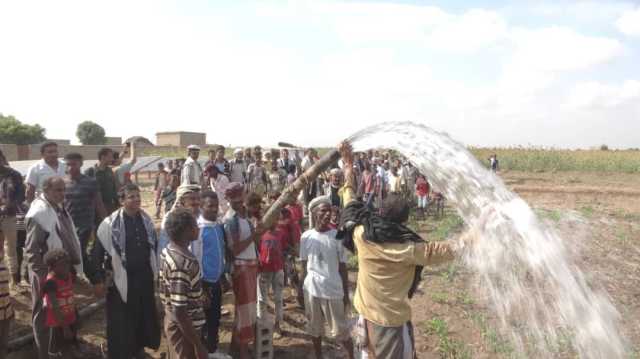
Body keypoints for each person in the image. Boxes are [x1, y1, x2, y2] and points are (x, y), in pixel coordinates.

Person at [338, 143, 468, 359]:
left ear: (380, 212)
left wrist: (349, 167)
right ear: (405, 221)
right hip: (391, 326)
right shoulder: (412, 249)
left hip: (366, 318)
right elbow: (451, 248)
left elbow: (350, 202)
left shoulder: (362, 235)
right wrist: (479, 229)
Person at [88, 184, 161, 359]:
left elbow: (153, 248)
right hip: (120, 279)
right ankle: (120, 353)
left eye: (138, 196)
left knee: (142, 313)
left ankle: (138, 348)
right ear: (121, 201)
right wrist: (97, 280)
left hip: (143, 277)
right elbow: (96, 254)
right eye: (131, 197)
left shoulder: (146, 220)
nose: (136, 199)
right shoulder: (108, 225)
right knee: (121, 318)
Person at [25, 176, 83, 359]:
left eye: (63, 190)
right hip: (46, 274)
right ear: (46, 190)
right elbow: (33, 251)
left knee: (63, 309)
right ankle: (45, 354)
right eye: (58, 190)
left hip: (61, 271)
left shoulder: (56, 207)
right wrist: (45, 280)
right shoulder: (39, 213)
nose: (62, 194)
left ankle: (61, 349)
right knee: (44, 315)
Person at [299, 196, 354, 359]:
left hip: (333, 289)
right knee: (315, 329)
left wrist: (345, 293)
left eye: (329, 211)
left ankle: (351, 356)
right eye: (323, 210)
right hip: (312, 289)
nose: (327, 214)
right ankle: (318, 356)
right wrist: (300, 290)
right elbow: (303, 265)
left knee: (341, 332)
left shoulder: (337, 236)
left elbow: (343, 267)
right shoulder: (306, 237)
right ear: (314, 213)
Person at [159, 208, 208, 359]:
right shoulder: (182, 264)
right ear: (187, 230)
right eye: (195, 225)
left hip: (178, 324)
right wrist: (198, 346)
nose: (198, 228)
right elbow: (179, 310)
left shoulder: (169, 251)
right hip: (184, 330)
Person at [223, 183, 263, 359]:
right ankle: (243, 352)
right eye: (236, 199)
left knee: (247, 310)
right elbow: (235, 250)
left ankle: (237, 347)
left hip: (250, 266)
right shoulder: (230, 221)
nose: (240, 202)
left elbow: (251, 245)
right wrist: (253, 236)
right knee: (244, 311)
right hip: (242, 268)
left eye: (241, 199)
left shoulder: (244, 219)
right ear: (231, 200)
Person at [189, 191, 230, 358]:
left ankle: (212, 349)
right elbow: (196, 259)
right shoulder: (198, 230)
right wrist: (201, 288)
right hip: (204, 284)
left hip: (216, 281)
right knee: (205, 321)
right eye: (209, 206)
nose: (213, 209)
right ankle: (205, 351)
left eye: (215, 206)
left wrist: (223, 277)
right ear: (201, 207)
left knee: (215, 318)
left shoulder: (218, 226)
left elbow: (220, 254)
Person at [63, 153, 107, 269]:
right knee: (70, 253)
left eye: (74, 164)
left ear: (81, 164)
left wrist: (107, 222)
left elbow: (99, 204)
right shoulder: (62, 183)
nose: (71, 167)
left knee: (81, 252)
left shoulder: (90, 182)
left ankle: (93, 278)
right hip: (68, 225)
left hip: (85, 226)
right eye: (68, 165)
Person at [257, 208, 290, 336]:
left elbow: (284, 248)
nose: (275, 221)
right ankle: (262, 325)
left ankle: (277, 325)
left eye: (277, 218)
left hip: (278, 270)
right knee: (261, 299)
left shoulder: (281, 233)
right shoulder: (259, 234)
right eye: (272, 218)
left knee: (278, 298)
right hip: (263, 270)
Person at [41, 249, 80, 358]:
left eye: (67, 263)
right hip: (58, 324)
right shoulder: (51, 283)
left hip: (70, 318)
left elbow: (70, 297)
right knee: (58, 351)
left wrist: (75, 315)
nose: (66, 266)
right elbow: (55, 308)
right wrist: (65, 328)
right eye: (62, 264)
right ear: (52, 267)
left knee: (68, 347)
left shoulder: (69, 276)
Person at [0, 150, 26, 292]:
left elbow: (20, 196)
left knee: (11, 248)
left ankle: (15, 281)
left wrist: (7, 206)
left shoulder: (13, 175)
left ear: (2, 158)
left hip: (9, 215)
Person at [159, 184, 201, 255]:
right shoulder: (170, 218)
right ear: (181, 201)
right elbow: (163, 246)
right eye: (192, 199)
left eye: (198, 199)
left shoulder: (202, 216)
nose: (197, 202)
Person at [85, 148, 119, 215]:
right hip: (96, 209)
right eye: (110, 157)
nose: (112, 159)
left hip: (110, 207)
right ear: (103, 157)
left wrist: (117, 203)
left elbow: (114, 189)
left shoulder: (109, 171)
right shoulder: (90, 172)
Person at [0, 231, 15, 359]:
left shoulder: (2, 260)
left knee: (4, 344)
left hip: (5, 312)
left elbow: (5, 288)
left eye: (1, 241)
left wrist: (10, 308)